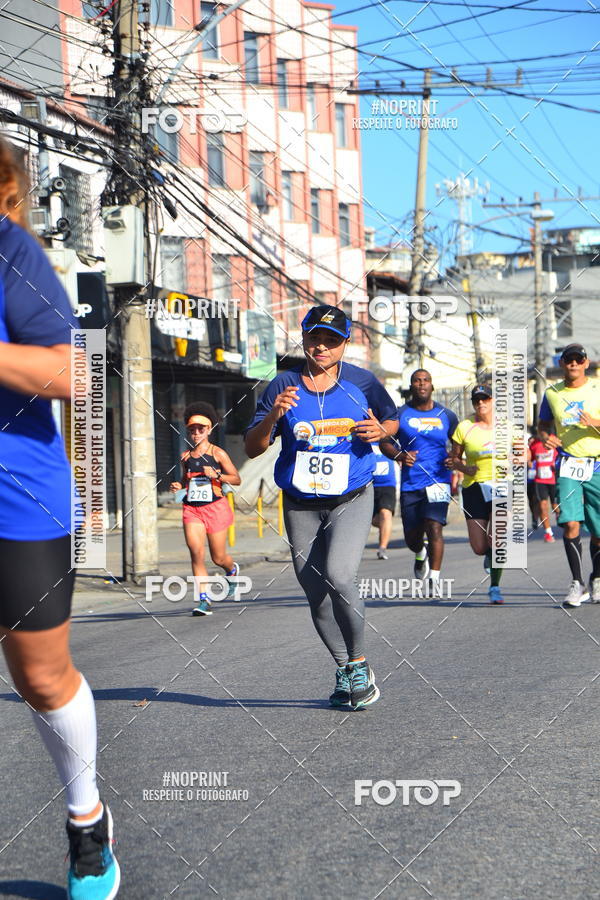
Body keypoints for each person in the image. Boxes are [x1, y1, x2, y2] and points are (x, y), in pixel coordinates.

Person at [0, 137, 119, 898]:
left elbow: (74, 372)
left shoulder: (11, 255)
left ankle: (88, 825)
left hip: (17, 498)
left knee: (40, 677)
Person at [244, 304, 398, 710]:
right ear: (304, 338)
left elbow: (391, 421)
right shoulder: (283, 385)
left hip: (351, 496)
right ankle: (345, 667)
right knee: (314, 591)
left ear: (345, 344)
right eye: (315, 338)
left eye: (332, 340)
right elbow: (253, 446)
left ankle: (362, 663)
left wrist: (381, 430)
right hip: (300, 503)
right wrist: (273, 416)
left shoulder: (363, 382)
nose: (322, 347)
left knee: (339, 575)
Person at [380, 369, 458, 588]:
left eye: (426, 381)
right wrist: (400, 455)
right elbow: (384, 441)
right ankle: (420, 551)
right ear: (411, 386)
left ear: (432, 386)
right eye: (417, 381)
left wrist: (455, 458)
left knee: (434, 526)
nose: (422, 384)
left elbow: (460, 439)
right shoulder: (400, 414)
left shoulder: (446, 415)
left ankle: (434, 577)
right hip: (410, 483)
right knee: (412, 538)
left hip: (439, 481)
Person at [538, 343, 600, 608]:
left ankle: (597, 578)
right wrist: (546, 437)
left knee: (598, 531)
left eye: (579, 359)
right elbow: (542, 425)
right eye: (569, 360)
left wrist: (595, 423)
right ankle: (577, 583)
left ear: (586, 363)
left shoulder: (597, 388)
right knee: (571, 523)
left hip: (597, 464)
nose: (574, 363)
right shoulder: (552, 393)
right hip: (568, 464)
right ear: (562, 364)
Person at [169, 402, 241, 615]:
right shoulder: (185, 457)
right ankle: (204, 600)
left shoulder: (218, 453)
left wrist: (217, 475)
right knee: (196, 553)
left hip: (215, 509)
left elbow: (236, 479)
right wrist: (178, 486)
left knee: (218, 558)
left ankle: (232, 570)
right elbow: (184, 480)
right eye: (192, 429)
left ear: (209, 429)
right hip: (192, 509)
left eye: (201, 429)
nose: (196, 433)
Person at [450, 384, 506, 605]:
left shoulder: (507, 427)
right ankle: (488, 556)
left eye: (485, 399)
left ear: (493, 401)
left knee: (497, 539)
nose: (481, 403)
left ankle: (495, 586)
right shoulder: (465, 427)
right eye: (476, 401)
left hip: (502, 487)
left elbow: (524, 454)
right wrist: (465, 469)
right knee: (480, 546)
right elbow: (453, 458)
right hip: (474, 487)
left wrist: (517, 461)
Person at [528, 433, 559, 543]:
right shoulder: (535, 444)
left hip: (553, 480)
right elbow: (529, 458)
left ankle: (559, 516)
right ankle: (548, 532)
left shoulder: (554, 441)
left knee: (556, 506)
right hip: (540, 481)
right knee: (543, 505)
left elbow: (561, 455)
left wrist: (557, 465)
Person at [371, 445, 399, 560]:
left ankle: (382, 548)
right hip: (367, 485)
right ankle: (384, 528)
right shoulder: (363, 437)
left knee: (386, 513)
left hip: (387, 484)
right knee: (373, 520)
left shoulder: (389, 439)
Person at [526, 433, 541, 529]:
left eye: (533, 443)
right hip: (528, 482)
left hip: (538, 481)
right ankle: (534, 517)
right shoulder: (526, 455)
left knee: (537, 500)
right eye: (529, 443)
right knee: (531, 501)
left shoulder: (539, 455)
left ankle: (536, 519)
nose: (531, 444)